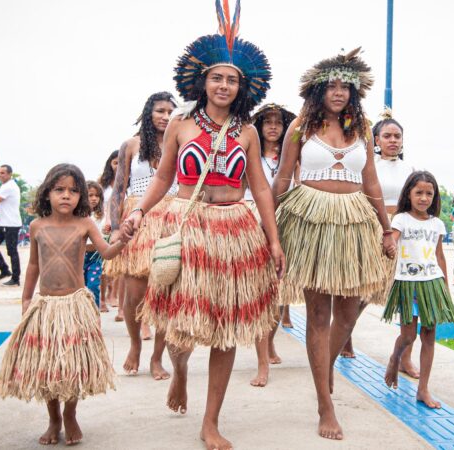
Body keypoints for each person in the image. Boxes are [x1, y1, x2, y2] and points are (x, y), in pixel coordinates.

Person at [122, 4, 283, 448]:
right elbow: (162, 177)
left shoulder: (247, 132)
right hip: (188, 226)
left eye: (232, 80)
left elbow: (262, 190)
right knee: (182, 323)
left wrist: (273, 240)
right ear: (202, 81)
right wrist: (138, 213)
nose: (224, 86)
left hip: (234, 231)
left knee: (226, 327)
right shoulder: (180, 124)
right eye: (217, 77)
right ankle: (178, 371)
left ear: (241, 85)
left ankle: (211, 420)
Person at [273, 48, 393, 441]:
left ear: (354, 92)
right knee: (318, 313)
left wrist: (386, 228)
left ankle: (323, 374)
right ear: (318, 90)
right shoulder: (299, 129)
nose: (339, 92)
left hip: (355, 222)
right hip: (311, 221)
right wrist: (267, 226)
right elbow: (283, 180)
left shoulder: (362, 128)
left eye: (346, 87)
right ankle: (325, 404)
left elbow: (372, 181)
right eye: (332, 86)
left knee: (349, 311)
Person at [0, 163, 125, 446]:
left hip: (74, 307)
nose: (66, 195)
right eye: (59, 189)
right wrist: (26, 298)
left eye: (73, 191)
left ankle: (70, 414)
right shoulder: (37, 226)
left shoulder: (85, 225)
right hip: (46, 309)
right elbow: (32, 266)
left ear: (80, 197)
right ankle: (53, 419)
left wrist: (123, 239)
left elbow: (107, 252)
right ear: (47, 193)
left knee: (72, 367)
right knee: (48, 367)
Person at [341, 110, 420, 376]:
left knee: (408, 295)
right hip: (374, 229)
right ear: (376, 139)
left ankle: (405, 358)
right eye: (387, 136)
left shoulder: (410, 169)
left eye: (397, 136)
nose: (393, 141)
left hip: (405, 234)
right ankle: (345, 333)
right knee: (364, 292)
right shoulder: (367, 165)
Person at [108, 91, 178, 379]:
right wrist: (114, 228)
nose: (164, 116)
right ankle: (136, 344)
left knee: (165, 291)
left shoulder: (181, 143)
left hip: (172, 219)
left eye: (170, 112)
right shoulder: (131, 145)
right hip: (137, 219)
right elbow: (118, 189)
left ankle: (158, 357)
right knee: (134, 293)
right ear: (149, 112)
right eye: (160, 110)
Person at [382, 170, 454, 409]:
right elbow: (391, 241)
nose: (424, 198)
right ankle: (395, 359)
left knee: (429, 336)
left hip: (432, 283)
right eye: (419, 193)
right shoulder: (401, 219)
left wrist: (445, 287)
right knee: (408, 335)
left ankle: (423, 389)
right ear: (409, 194)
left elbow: (439, 256)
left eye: (429, 193)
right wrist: (389, 246)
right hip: (408, 284)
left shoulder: (437, 224)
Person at [245, 103, 297, 387]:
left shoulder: (292, 156)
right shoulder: (249, 151)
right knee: (261, 294)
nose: (273, 127)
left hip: (285, 221)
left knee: (279, 295)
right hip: (254, 221)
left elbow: (298, 186)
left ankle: (270, 343)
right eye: (268, 122)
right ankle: (262, 362)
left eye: (279, 122)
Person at [98, 150, 119, 313]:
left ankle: (114, 294)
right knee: (104, 266)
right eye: (115, 162)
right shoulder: (102, 183)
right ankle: (102, 298)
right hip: (103, 225)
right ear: (110, 164)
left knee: (119, 266)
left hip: (121, 223)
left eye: (121, 162)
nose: (118, 165)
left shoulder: (130, 181)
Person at [84, 180, 106, 308]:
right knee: (80, 289)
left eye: (97, 196)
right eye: (90, 195)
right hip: (79, 257)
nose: (94, 199)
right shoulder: (78, 216)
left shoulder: (101, 216)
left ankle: (95, 317)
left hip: (95, 257)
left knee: (93, 286)